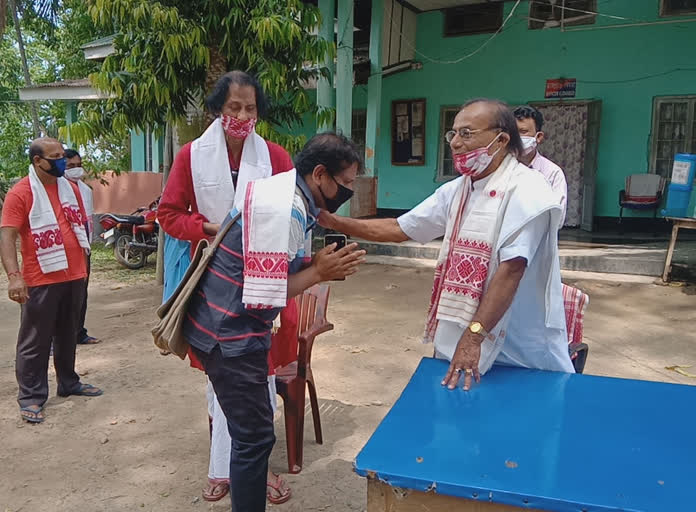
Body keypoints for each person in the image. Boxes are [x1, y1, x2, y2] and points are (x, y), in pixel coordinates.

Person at [319, 99, 574, 393]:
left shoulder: (529, 190)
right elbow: (400, 228)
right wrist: (332, 221)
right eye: (452, 134)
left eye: (466, 133)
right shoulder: (460, 189)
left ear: (501, 139)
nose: (455, 143)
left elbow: (512, 270)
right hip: (465, 339)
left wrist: (474, 336)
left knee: (522, 426)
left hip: (520, 347)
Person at [180, 132, 365, 512]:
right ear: (319, 175)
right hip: (231, 335)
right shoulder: (286, 210)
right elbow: (262, 298)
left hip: (217, 326)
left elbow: (270, 272)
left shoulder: (280, 192)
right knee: (253, 439)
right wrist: (319, 273)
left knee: (252, 434)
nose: (348, 191)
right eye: (345, 183)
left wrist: (315, 266)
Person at [157, 71, 299, 504]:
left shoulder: (276, 157)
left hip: (266, 284)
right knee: (222, 377)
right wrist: (208, 227)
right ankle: (223, 468)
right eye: (233, 107)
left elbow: (296, 215)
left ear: (259, 112)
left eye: (250, 108)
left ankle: (254, 469)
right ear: (218, 110)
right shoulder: (191, 156)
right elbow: (167, 214)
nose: (241, 116)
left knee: (262, 374)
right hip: (212, 284)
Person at [0, 137, 103, 424]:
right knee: (36, 339)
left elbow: (78, 227)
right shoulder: (21, 193)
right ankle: (31, 396)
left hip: (75, 273)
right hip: (40, 278)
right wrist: (14, 276)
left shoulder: (70, 188)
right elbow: (7, 237)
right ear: (37, 161)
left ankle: (69, 382)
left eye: (62, 155)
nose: (62, 161)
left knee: (68, 333)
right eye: (55, 157)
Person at [64, 148, 100, 345]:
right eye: (70, 166)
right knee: (62, 294)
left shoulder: (85, 190)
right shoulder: (58, 189)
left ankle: (79, 332)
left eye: (78, 165)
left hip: (84, 248)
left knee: (81, 292)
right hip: (64, 250)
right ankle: (55, 338)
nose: (76, 170)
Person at [513, 105, 568, 227]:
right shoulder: (501, 168)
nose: (516, 138)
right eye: (513, 132)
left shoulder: (552, 173)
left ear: (538, 137)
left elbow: (557, 218)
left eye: (523, 132)